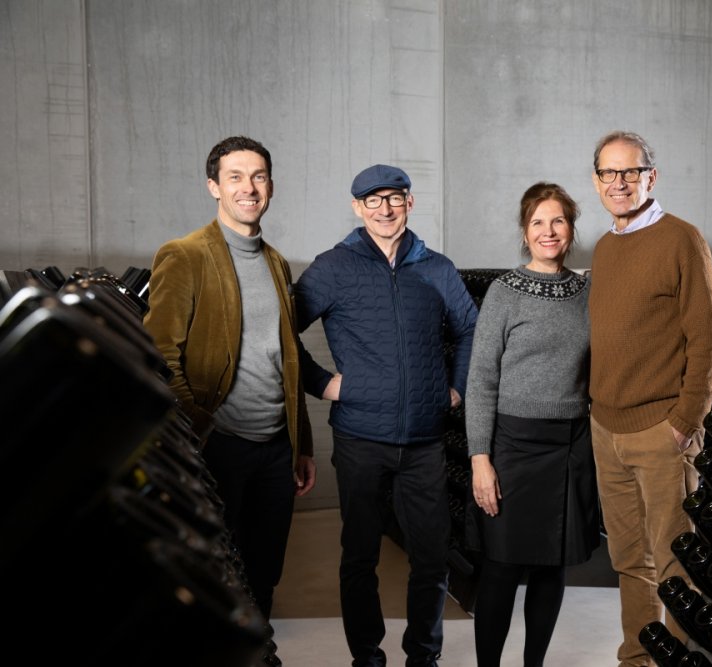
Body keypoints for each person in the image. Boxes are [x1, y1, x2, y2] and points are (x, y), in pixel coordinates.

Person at [295, 163, 478, 667]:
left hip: (424, 442)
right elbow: (282, 335)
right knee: (359, 557)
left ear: (410, 203)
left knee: (432, 558)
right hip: (359, 438)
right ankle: (367, 656)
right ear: (357, 208)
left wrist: (457, 389)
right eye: (372, 200)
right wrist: (324, 383)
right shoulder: (333, 267)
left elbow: (470, 329)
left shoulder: (436, 267)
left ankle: (423, 654)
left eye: (394, 198)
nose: (385, 209)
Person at [144, 135, 317, 622]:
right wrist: (203, 425)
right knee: (212, 577)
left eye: (258, 177)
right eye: (235, 177)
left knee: (264, 575)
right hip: (219, 444)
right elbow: (158, 356)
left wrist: (300, 443)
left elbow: (288, 358)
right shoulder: (185, 255)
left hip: (275, 448)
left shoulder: (276, 262)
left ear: (271, 187)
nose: (249, 187)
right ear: (213, 187)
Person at [587, 131, 712, 666]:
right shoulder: (605, 245)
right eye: (608, 173)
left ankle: (681, 659)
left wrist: (684, 420)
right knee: (629, 559)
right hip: (607, 428)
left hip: (660, 431)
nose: (619, 183)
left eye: (630, 171)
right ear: (597, 180)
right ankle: (639, 659)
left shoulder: (682, 240)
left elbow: (709, 341)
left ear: (651, 175)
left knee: (676, 561)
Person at [464, 182, 601, 667]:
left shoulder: (589, 290)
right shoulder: (504, 292)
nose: (549, 231)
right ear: (525, 231)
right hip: (513, 446)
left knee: (551, 568)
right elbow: (480, 380)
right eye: (538, 222)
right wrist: (481, 459)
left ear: (571, 228)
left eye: (558, 221)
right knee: (500, 568)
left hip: (570, 446)